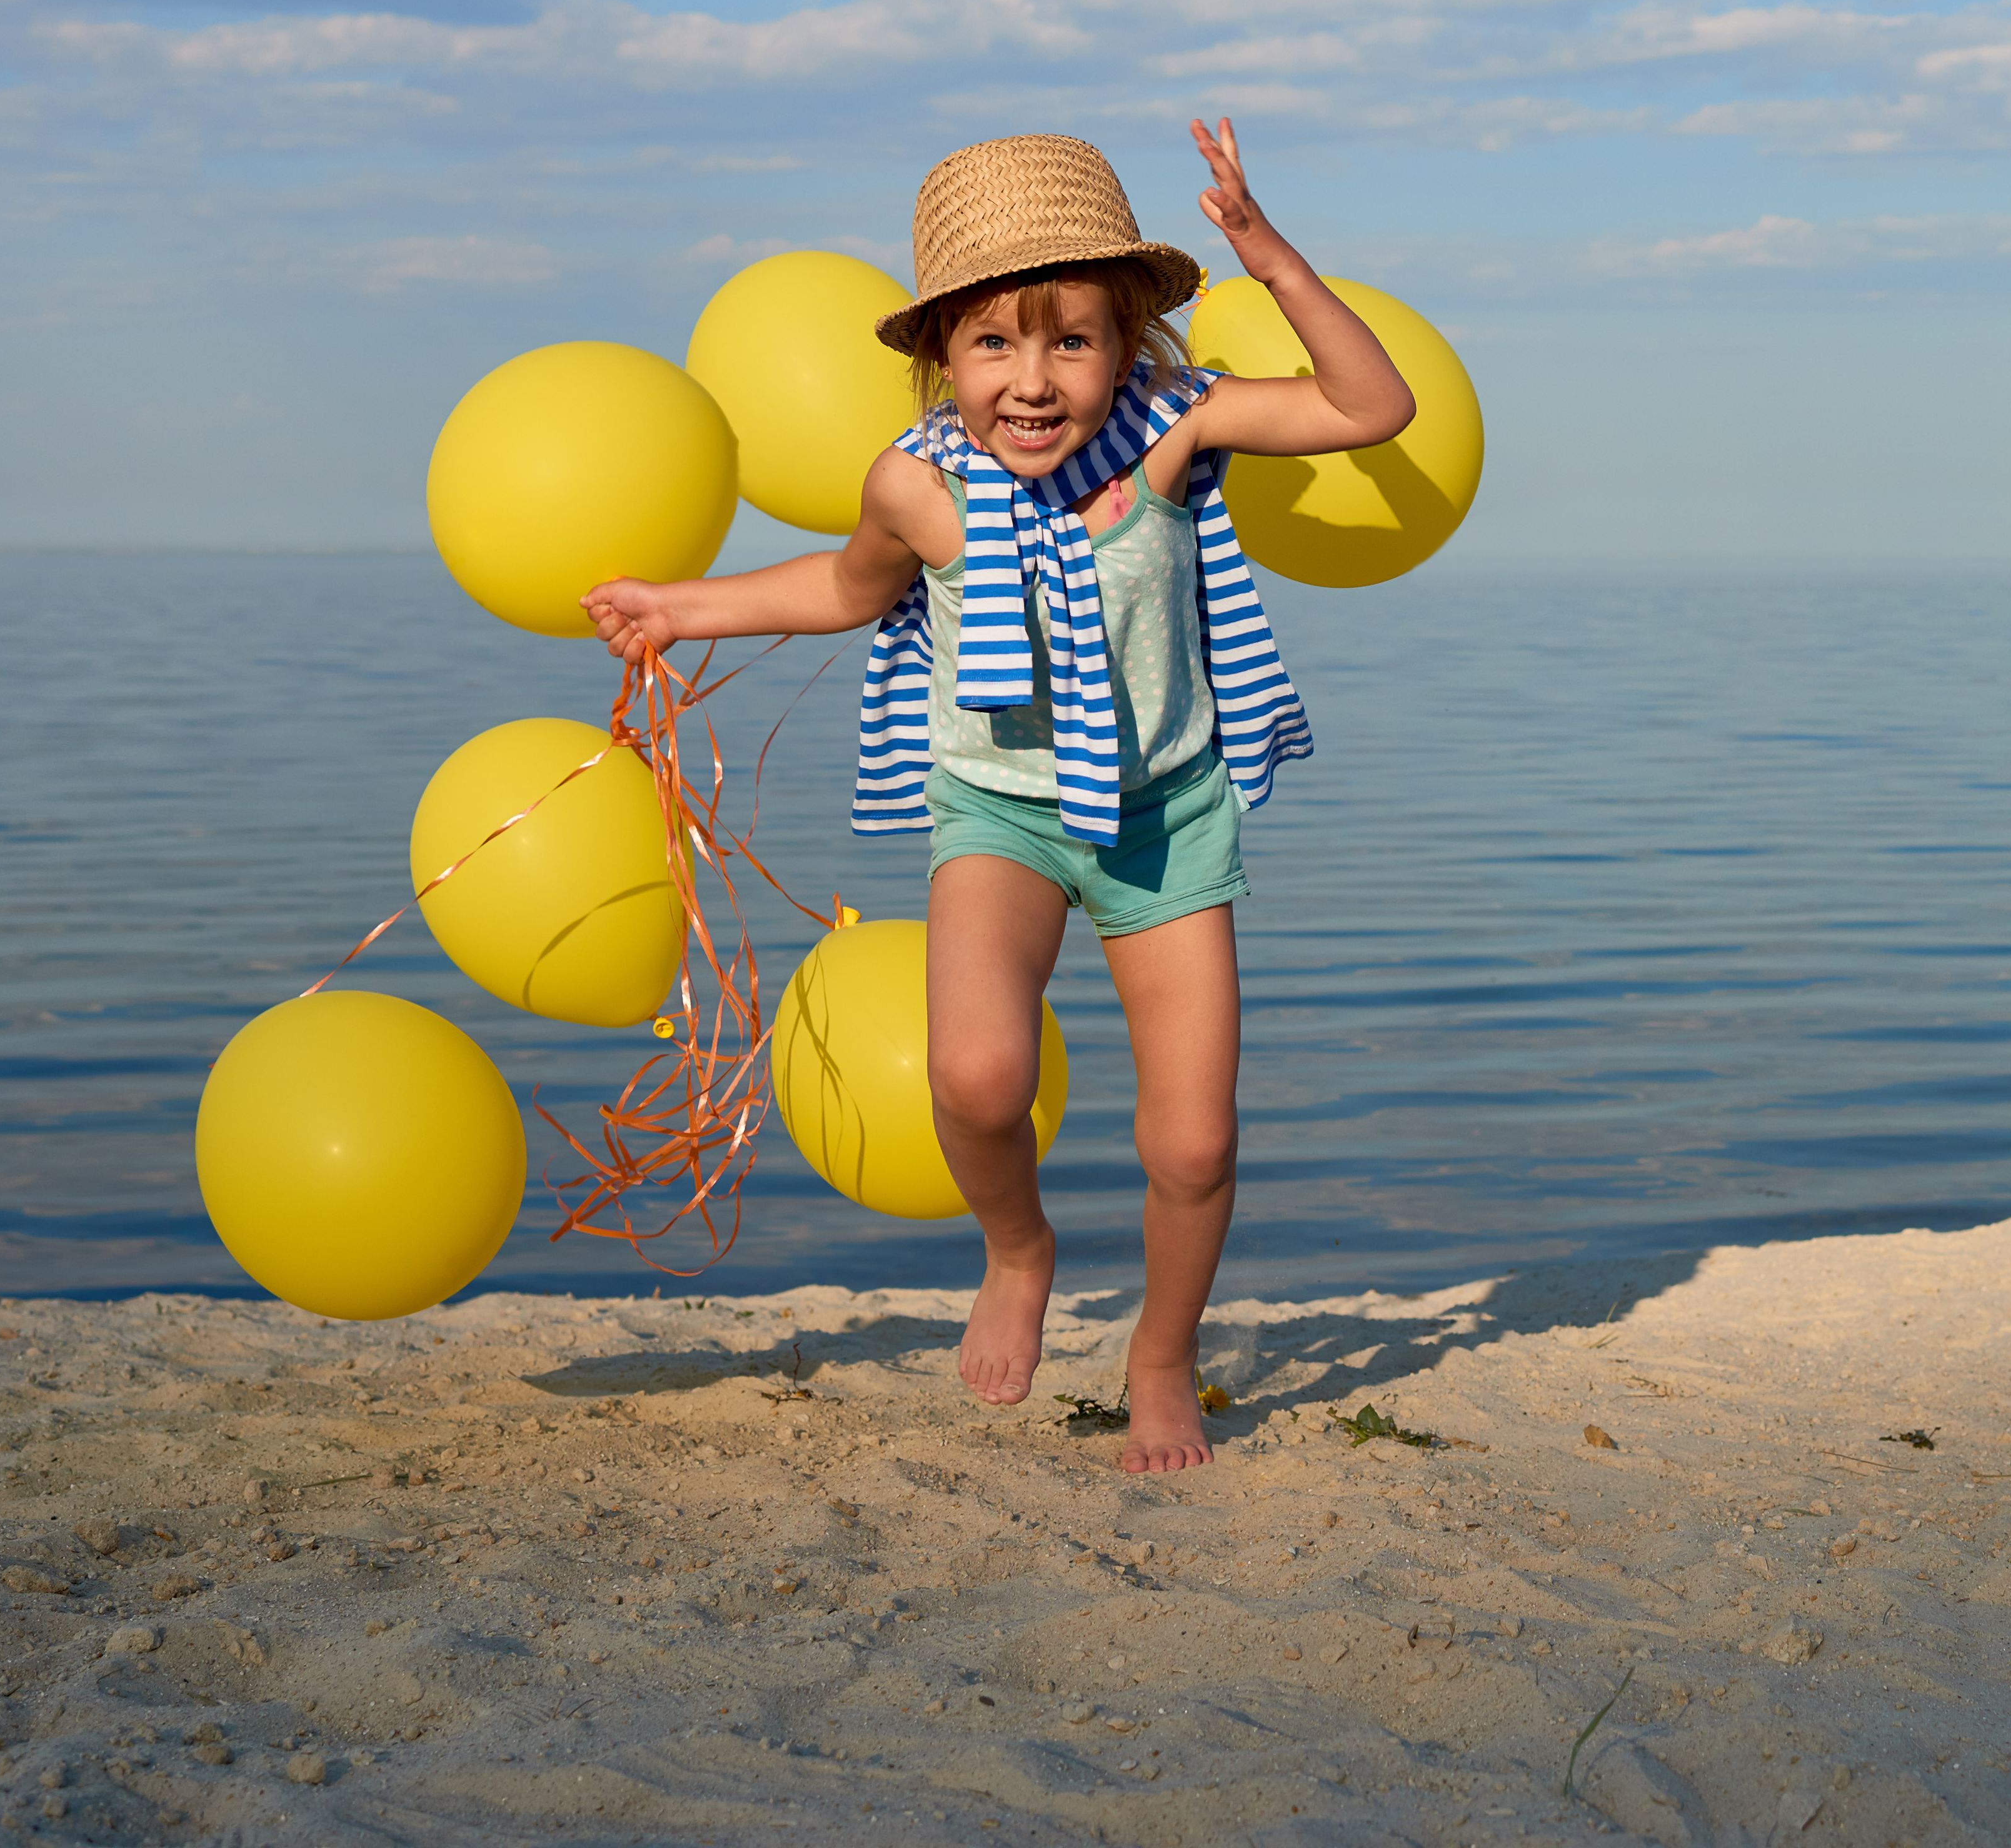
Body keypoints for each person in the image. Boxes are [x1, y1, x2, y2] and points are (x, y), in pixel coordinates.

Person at [580, 121, 1411, 1473]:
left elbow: (1371, 408)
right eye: (993, 346)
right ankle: (1020, 1251)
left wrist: (1269, 256)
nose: (1032, 382)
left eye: (1070, 340)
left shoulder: (1175, 429)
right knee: (974, 1079)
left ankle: (1160, 1356)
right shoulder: (916, 486)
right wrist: (686, 607)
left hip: (1165, 818)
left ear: (1129, 337)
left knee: (1193, 1142)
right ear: (940, 357)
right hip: (1000, 810)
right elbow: (846, 593)